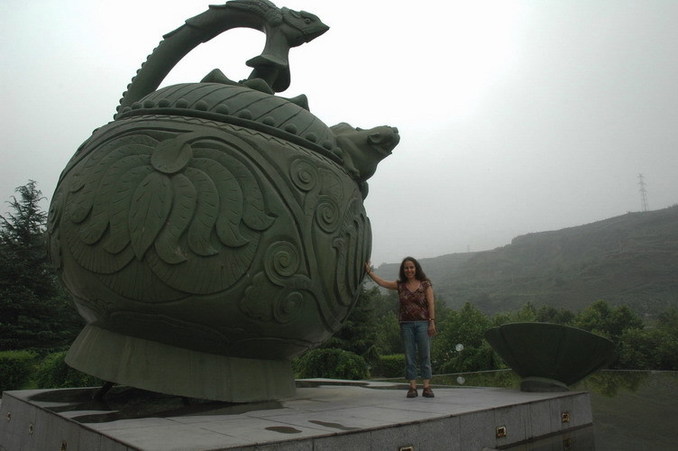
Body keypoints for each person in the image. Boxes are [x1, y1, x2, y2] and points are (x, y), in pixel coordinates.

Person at [365, 257, 437, 398]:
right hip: (406, 324)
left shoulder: (425, 284)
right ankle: (412, 387)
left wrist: (432, 322)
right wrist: (369, 272)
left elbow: (431, 304)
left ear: (416, 268)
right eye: (406, 268)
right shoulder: (400, 285)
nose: (409, 270)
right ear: (403, 270)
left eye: (411, 267)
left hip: (423, 324)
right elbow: (382, 283)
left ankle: (427, 387)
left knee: (425, 355)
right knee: (409, 356)